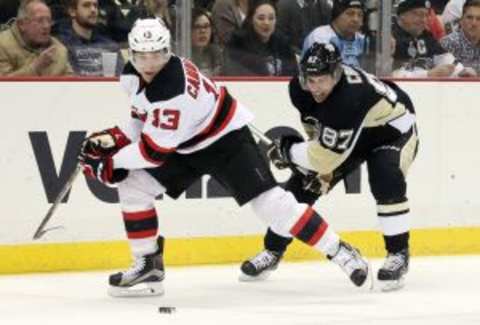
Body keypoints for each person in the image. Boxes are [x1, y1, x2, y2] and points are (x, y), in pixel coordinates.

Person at [78, 18, 371, 297]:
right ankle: (148, 265)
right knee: (133, 186)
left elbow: (151, 153)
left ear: (168, 51)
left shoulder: (172, 90)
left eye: (157, 55)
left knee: (271, 205)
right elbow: (142, 121)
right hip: (184, 142)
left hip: (225, 140)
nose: (149, 64)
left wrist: (110, 162)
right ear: (133, 53)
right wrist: (113, 138)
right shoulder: (131, 75)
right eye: (142, 56)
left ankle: (341, 251)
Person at [240, 42, 419, 292]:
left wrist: (289, 151)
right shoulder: (299, 89)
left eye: (322, 80)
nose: (315, 88)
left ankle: (398, 253)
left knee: (386, 177)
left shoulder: (349, 96)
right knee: (303, 184)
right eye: (309, 80)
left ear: (337, 74)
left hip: (392, 131)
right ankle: (273, 250)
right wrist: (304, 163)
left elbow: (325, 158)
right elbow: (317, 129)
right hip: (350, 132)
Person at [392, 0, 475, 77]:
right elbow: (391, 74)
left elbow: (444, 57)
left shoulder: (426, 35)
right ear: (402, 14)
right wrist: (428, 74)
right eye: (418, 14)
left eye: (426, 15)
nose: (423, 20)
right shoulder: (390, 36)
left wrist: (460, 71)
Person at [223, 0, 298, 76]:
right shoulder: (238, 42)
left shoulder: (282, 43)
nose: (266, 23)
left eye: (271, 18)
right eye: (261, 18)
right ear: (251, 19)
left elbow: (293, 73)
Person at [0, 0, 72, 76]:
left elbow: (71, 82)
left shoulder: (59, 49)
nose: (46, 26)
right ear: (21, 24)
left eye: (49, 20)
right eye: (40, 20)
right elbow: (4, 84)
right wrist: (35, 67)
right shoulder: (2, 46)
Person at [55, 0, 125, 76]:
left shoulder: (111, 47)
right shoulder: (62, 45)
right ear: (72, 11)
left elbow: (122, 80)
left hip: (108, 87)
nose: (93, 10)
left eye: (95, 5)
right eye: (86, 5)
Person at [302, 0, 367, 68]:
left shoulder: (360, 39)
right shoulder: (320, 37)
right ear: (336, 16)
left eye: (360, 15)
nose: (355, 19)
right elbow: (319, 75)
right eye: (350, 14)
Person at [440, 0, 480, 74]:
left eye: (479, 19)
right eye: (469, 17)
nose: (474, 23)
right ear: (461, 21)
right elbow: (443, 72)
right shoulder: (448, 42)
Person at [191, 8, 223, 77]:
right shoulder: (180, 55)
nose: (203, 31)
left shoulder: (217, 53)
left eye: (206, 26)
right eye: (197, 27)